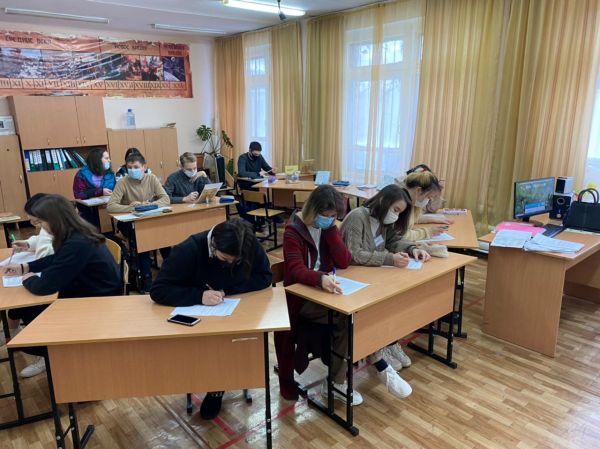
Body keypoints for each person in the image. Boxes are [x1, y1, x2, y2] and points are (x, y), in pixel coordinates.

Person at [150, 218, 272, 420]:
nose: (230, 264)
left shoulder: (247, 243)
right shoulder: (188, 250)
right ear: (213, 244)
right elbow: (159, 290)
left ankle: (221, 384)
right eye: (225, 259)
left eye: (235, 261)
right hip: (199, 315)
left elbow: (265, 277)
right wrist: (199, 296)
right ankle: (213, 384)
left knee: (240, 341)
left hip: (236, 309)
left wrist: (227, 290)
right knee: (210, 347)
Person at [3, 194, 121, 378]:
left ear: (55, 220)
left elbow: (44, 287)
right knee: (22, 309)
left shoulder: (77, 243)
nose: (41, 227)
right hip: (88, 290)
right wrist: (25, 267)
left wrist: (27, 278)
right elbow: (56, 259)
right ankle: (54, 355)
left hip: (96, 301)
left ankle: (56, 355)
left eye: (42, 222)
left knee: (29, 320)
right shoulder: (76, 233)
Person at [341, 185, 432, 397]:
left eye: (400, 212)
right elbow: (353, 254)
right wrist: (390, 258)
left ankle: (388, 342)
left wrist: (412, 249)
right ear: (383, 202)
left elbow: (393, 241)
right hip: (353, 280)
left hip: (373, 278)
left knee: (394, 303)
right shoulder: (358, 217)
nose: (396, 215)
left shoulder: (383, 221)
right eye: (395, 210)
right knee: (374, 312)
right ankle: (378, 353)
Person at [274, 185, 363, 404]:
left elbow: (344, 260)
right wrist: (320, 279)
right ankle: (336, 380)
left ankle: (336, 373)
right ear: (313, 211)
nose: (331, 220)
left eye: (334, 216)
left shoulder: (328, 227)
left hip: (324, 291)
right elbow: (295, 269)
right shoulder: (293, 231)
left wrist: (331, 230)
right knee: (346, 319)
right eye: (327, 215)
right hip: (300, 298)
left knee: (355, 315)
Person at [107, 152, 170, 293]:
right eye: (129, 167)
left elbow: (165, 199)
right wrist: (131, 207)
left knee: (164, 239)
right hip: (130, 223)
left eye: (136, 167)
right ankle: (146, 280)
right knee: (142, 242)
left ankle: (170, 274)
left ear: (144, 167)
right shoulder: (122, 182)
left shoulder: (151, 178)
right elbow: (110, 206)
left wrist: (151, 205)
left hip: (150, 218)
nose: (132, 170)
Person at [396, 170, 448, 241]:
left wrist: (431, 219)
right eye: (428, 197)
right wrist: (428, 232)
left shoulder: (411, 202)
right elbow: (400, 236)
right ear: (418, 191)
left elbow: (412, 219)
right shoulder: (400, 204)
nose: (428, 200)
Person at [73, 148, 116, 228]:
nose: (109, 160)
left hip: (108, 207)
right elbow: (78, 194)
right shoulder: (82, 174)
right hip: (89, 211)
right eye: (106, 158)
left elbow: (115, 189)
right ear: (97, 160)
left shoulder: (109, 174)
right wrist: (100, 191)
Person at [11, 194, 53, 259]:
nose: (32, 224)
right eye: (30, 220)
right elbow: (42, 238)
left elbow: (44, 256)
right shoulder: (47, 226)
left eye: (38, 221)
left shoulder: (61, 231)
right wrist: (28, 244)